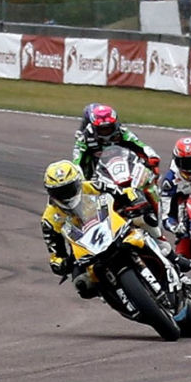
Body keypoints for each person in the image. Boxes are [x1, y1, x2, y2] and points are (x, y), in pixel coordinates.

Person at [40, 161, 114, 299]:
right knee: (82, 286)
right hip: (83, 248)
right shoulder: (49, 218)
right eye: (59, 192)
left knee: (145, 220)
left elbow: (121, 192)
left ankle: (165, 251)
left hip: (112, 227)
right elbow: (55, 253)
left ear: (79, 182)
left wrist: (134, 200)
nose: (65, 195)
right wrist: (60, 264)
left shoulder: (92, 186)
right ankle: (118, 297)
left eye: (69, 189)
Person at [71, 104, 159, 177]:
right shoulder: (85, 137)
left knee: (149, 170)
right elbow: (76, 160)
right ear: (94, 127)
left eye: (108, 128)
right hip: (95, 174)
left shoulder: (122, 132)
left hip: (123, 170)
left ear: (115, 125)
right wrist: (78, 172)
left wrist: (152, 156)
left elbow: (140, 145)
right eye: (102, 129)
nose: (105, 132)